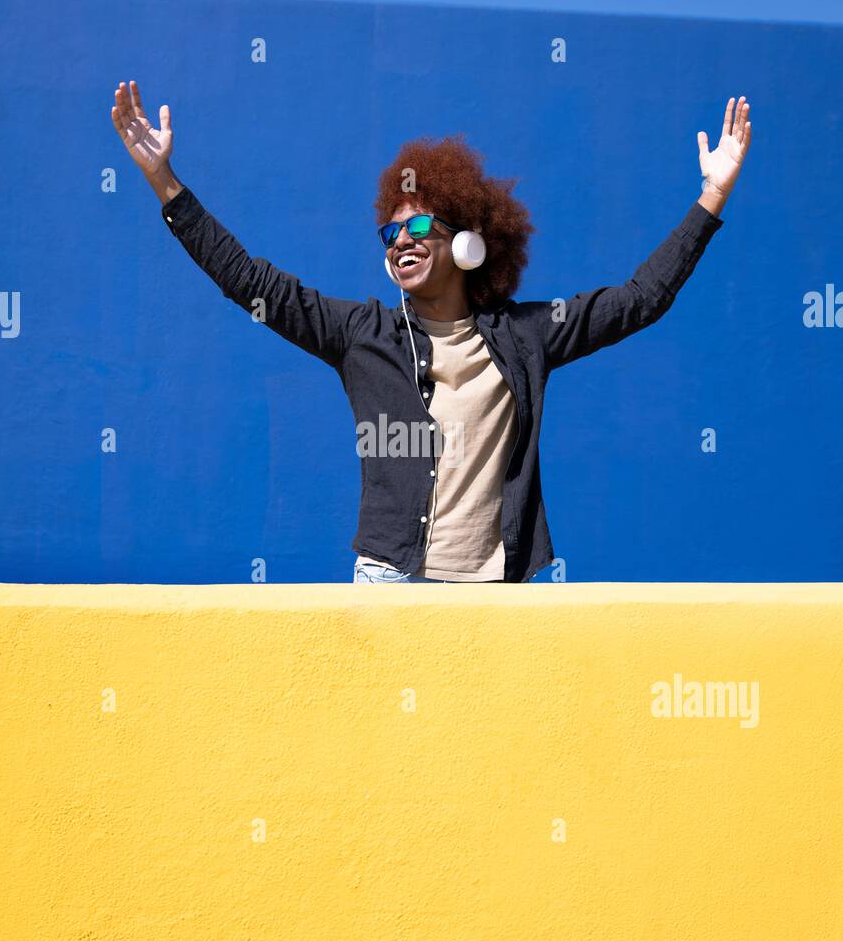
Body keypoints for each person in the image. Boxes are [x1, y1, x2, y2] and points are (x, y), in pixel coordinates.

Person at [111, 80, 751, 584]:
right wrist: (166, 184)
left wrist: (711, 198)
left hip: (505, 587)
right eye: (390, 234)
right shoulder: (362, 335)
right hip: (394, 580)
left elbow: (640, 300)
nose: (400, 242)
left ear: (470, 244)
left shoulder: (528, 336)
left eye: (418, 228)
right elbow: (252, 282)